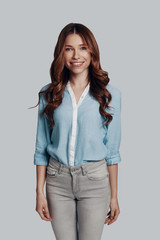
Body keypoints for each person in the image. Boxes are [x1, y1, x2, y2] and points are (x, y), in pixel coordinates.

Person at [33, 23, 122, 240]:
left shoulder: (110, 96)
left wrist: (114, 196)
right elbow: (41, 148)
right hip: (57, 181)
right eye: (68, 48)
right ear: (61, 53)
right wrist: (39, 192)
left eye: (82, 48)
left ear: (92, 51)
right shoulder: (49, 94)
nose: (76, 55)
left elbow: (112, 151)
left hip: (94, 181)